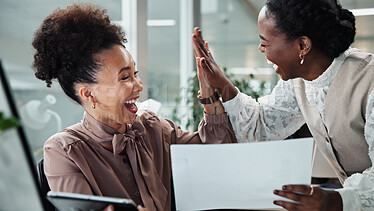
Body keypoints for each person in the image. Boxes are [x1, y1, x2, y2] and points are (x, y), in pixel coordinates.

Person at [192, 0, 374, 210]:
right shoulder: (299, 82)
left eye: (265, 43)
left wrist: (332, 201)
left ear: (303, 46)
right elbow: (261, 126)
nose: (260, 49)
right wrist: (222, 83)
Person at [32, 3, 236, 211]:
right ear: (88, 93)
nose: (138, 85)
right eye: (125, 77)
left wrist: (209, 92)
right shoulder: (64, 151)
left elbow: (216, 155)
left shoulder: (152, 127)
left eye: (135, 73)